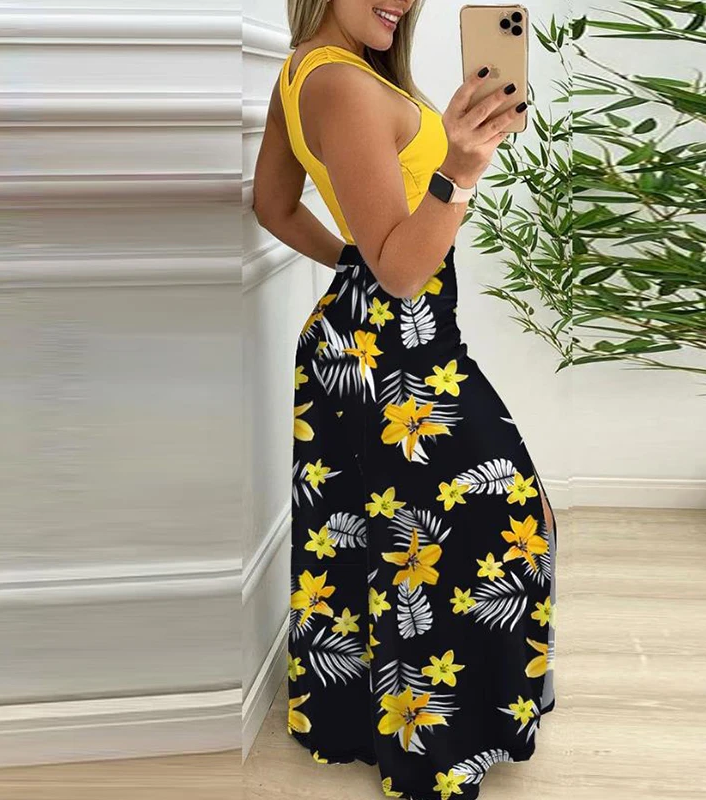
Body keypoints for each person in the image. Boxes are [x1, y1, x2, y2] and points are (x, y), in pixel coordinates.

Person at [253, 2, 557, 798]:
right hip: (395, 352)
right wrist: (458, 171)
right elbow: (400, 272)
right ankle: (444, 742)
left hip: (371, 343)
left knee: (370, 534)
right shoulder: (344, 85)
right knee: (491, 526)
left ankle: (359, 721)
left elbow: (275, 208)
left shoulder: (308, 71)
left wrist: (353, 265)